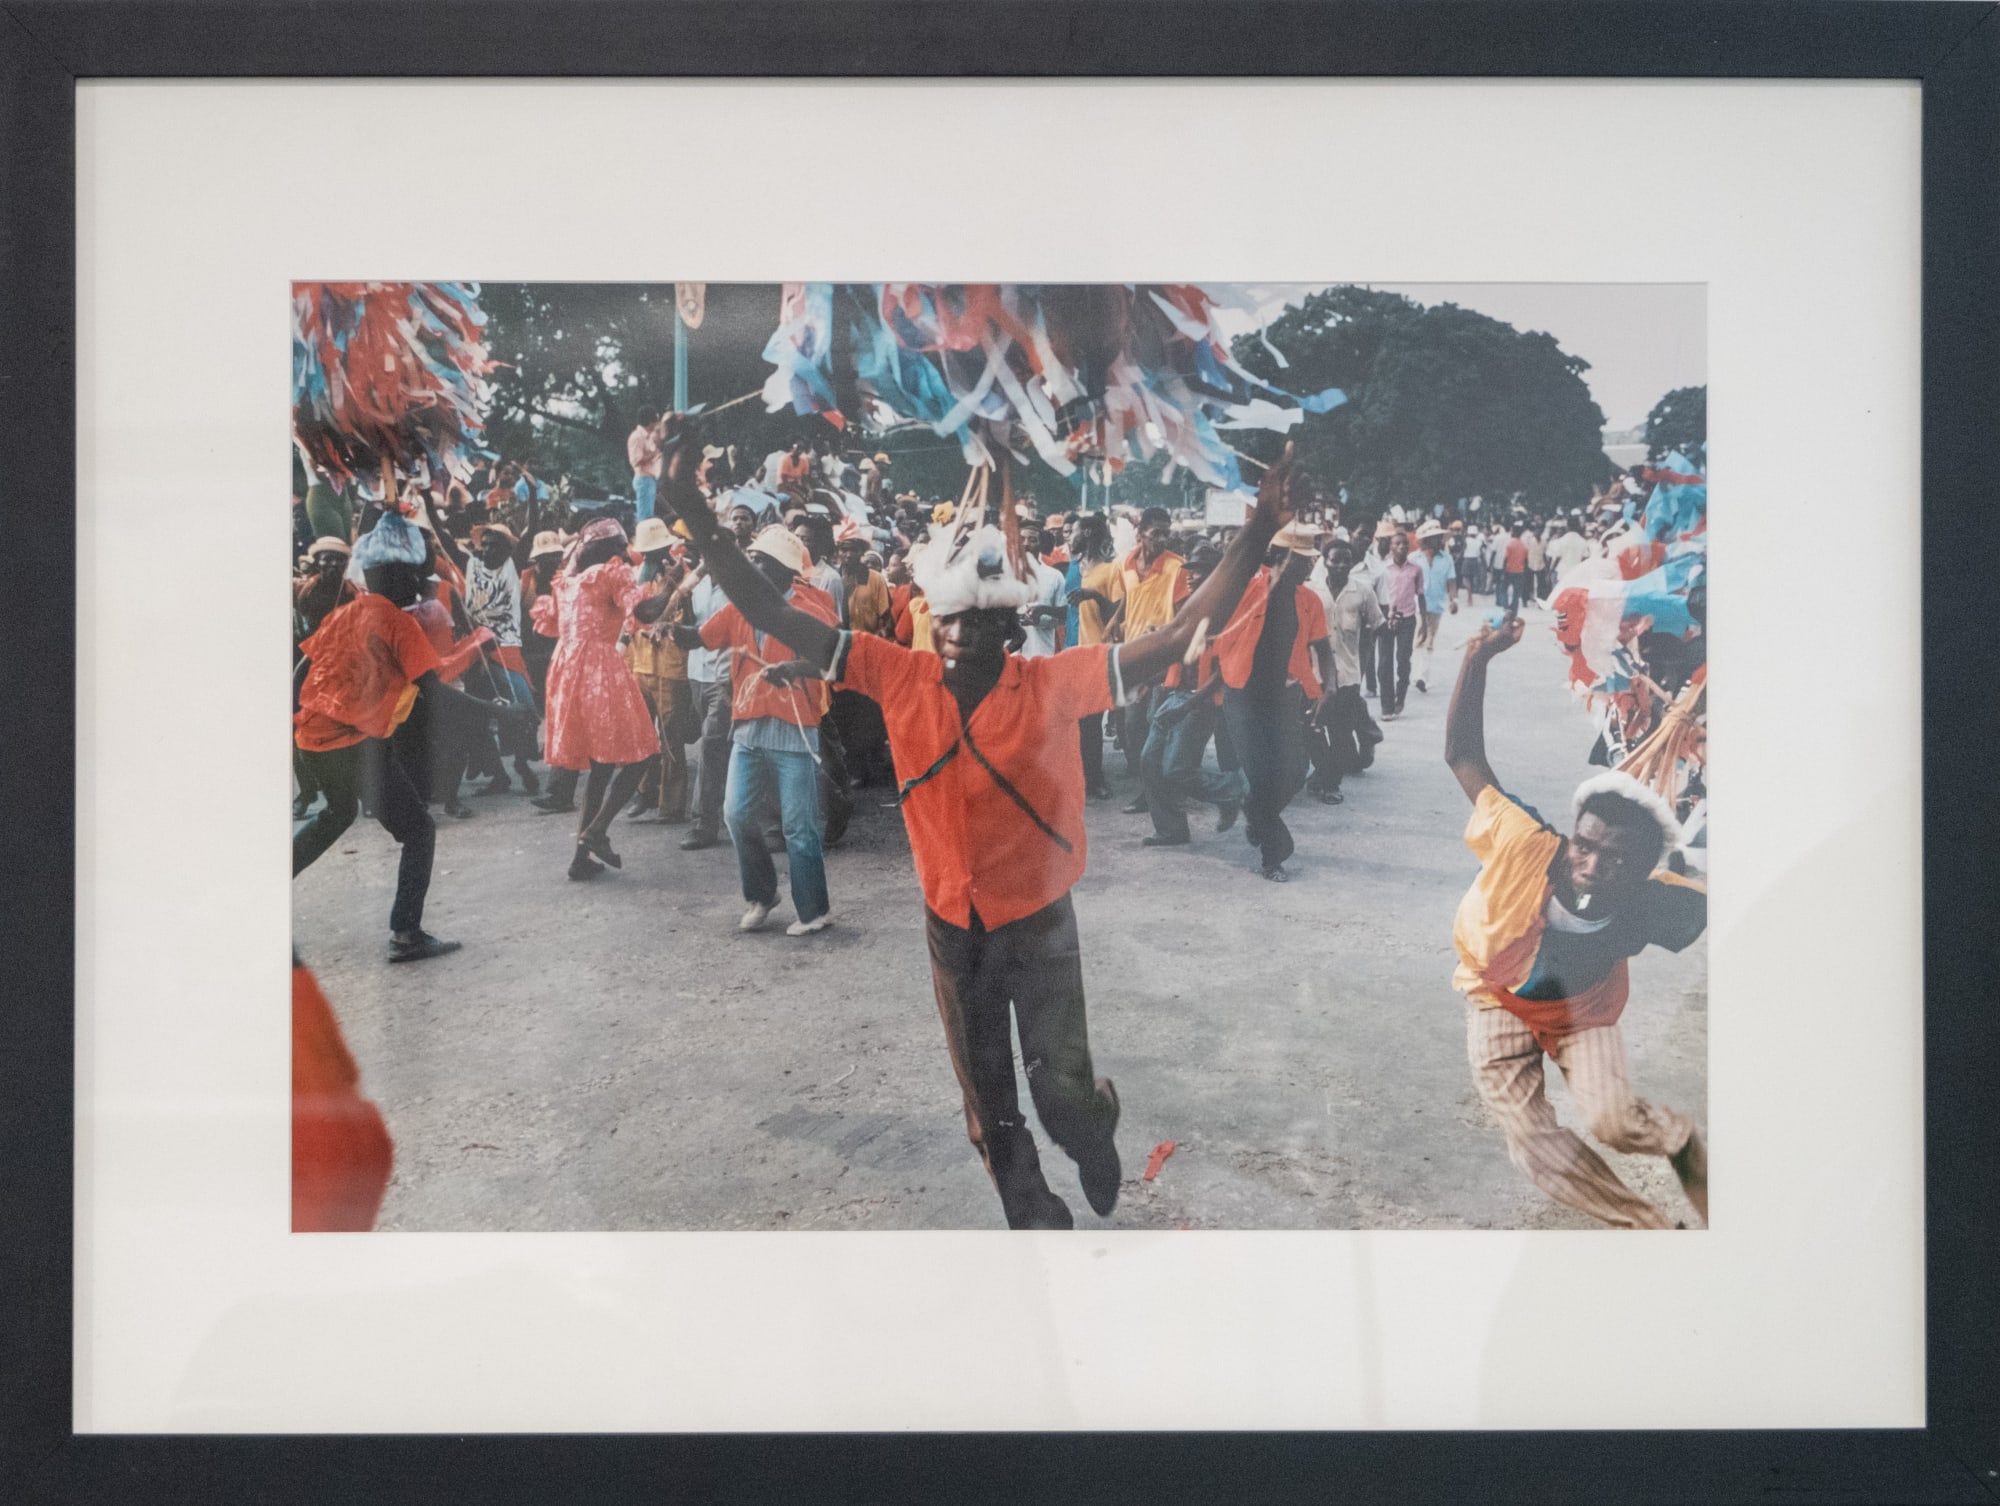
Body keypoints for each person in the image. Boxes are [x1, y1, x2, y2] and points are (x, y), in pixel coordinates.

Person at [658, 423, 1302, 1230]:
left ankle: (1091, 1131)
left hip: (1039, 922)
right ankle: (1031, 1215)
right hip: (949, 925)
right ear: (933, 617)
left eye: (982, 626)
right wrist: (691, 511)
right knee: (987, 1104)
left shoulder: (1053, 683)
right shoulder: (897, 673)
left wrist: (1259, 528)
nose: (962, 639)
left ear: (1012, 629)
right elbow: (766, 607)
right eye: (950, 621)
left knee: (1062, 1093)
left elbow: (1176, 635)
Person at [1444, 618, 1709, 1229]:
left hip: (1582, 1011)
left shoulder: (1661, 901)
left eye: (1616, 860)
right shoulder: (1524, 842)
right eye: (1585, 846)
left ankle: (1682, 1141)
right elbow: (1462, 755)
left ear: (1645, 869)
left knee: (1613, 1122)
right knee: (1533, 1144)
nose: (1592, 866)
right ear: (1570, 836)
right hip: (1498, 998)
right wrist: (1479, 658)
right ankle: (1648, 1229)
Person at [292, 514, 523, 962]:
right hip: (351, 742)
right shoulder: (399, 624)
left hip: (314, 738)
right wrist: (502, 715)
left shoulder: (344, 614)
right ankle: (406, 934)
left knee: (337, 815)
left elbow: (302, 670)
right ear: (398, 576)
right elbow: (435, 695)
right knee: (419, 830)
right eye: (416, 572)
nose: (422, 580)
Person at [680, 523, 839, 934]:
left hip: (794, 729)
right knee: (735, 815)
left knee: (798, 827)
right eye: (751, 559)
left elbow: (833, 658)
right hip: (748, 728)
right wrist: (663, 628)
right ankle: (762, 895)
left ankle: (814, 911)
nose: (752, 566)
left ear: (785, 571)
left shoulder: (811, 607)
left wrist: (795, 668)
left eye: (761, 562)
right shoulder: (741, 605)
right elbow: (700, 637)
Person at [531, 517, 672, 880]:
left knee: (601, 763)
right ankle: (596, 831)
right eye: (623, 545)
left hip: (565, 668)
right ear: (610, 549)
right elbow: (642, 612)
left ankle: (581, 857)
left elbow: (554, 625)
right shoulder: (612, 573)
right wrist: (672, 590)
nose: (626, 553)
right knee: (643, 754)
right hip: (599, 668)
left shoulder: (567, 581)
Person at [1212, 521, 1332, 880]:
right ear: (1280, 557)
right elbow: (1217, 637)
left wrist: (1328, 687)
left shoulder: (1310, 601)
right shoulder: (1245, 592)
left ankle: (1255, 810)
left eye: (1312, 559)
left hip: (1285, 695)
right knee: (1263, 775)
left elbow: (1323, 649)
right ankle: (1274, 854)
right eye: (1303, 559)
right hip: (1243, 696)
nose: (1310, 566)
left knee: (1295, 770)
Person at [1138, 541, 1245, 847]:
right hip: (1173, 692)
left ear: (1215, 575)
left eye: (1198, 570)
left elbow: (1225, 669)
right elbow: (1179, 653)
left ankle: (1231, 790)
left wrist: (1189, 706)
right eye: (1189, 569)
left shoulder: (1229, 612)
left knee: (1176, 769)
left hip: (1201, 701)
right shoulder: (1187, 606)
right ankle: (1171, 830)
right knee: (1149, 761)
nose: (1189, 575)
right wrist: (1150, 678)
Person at [678, 501, 759, 850]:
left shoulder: (740, 581)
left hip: (727, 672)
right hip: (697, 671)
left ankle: (703, 823)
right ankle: (735, 810)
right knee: (718, 745)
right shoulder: (696, 583)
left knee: (711, 745)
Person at [1116, 506, 1189, 809]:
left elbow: (1187, 613)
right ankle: (1152, 787)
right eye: (1156, 532)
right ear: (1141, 532)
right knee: (1132, 728)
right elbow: (1125, 602)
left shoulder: (1178, 567)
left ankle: (1156, 794)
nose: (1162, 538)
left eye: (1166, 532)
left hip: (1164, 658)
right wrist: (1117, 631)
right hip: (1133, 656)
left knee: (1156, 724)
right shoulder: (1125, 563)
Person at [623, 516, 692, 824]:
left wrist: (673, 582)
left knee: (671, 737)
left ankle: (672, 804)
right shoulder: (634, 578)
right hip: (639, 664)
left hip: (670, 665)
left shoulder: (683, 575)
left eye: (658, 551)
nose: (653, 557)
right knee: (642, 735)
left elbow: (685, 617)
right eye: (648, 552)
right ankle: (644, 793)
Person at [1307, 540, 1383, 803]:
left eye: (1346, 560)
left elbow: (1376, 626)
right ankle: (1322, 774)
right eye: (1335, 559)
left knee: (1340, 734)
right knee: (1311, 730)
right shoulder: (1311, 591)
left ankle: (1330, 784)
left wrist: (1363, 661)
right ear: (1324, 561)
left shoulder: (1362, 592)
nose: (1340, 565)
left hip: (1348, 676)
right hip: (1313, 675)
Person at [1063, 513, 1124, 800]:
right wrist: (1045, 612)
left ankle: (1095, 778)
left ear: (1086, 533)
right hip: (1070, 653)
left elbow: (1116, 613)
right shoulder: (1072, 568)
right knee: (1072, 720)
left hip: (1097, 652)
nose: (1068, 536)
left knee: (1091, 720)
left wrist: (1095, 597)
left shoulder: (1111, 571)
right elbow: (1070, 611)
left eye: (1073, 531)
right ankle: (1076, 777)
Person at [1372, 526, 1424, 719]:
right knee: (1384, 663)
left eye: (1405, 544)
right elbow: (1375, 596)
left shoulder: (1415, 570)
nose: (1401, 547)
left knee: (1403, 662)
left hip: (1407, 619)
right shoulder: (1382, 570)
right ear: (1391, 547)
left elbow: (1421, 595)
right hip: (1385, 620)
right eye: (1397, 543)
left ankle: (1399, 698)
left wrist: (1424, 623)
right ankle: (1386, 706)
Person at [1410, 519, 1459, 695]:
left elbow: (1451, 581)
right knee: (1417, 639)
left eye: (1439, 537)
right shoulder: (1413, 559)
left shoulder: (1446, 559)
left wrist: (1454, 600)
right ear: (1426, 541)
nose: (1438, 541)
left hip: (1436, 605)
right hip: (1415, 606)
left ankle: (1422, 676)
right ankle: (1416, 674)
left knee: (1429, 640)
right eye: (1434, 538)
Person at [1352, 517, 1396, 697]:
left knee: (1353, 683)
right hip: (1332, 632)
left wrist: (1373, 632)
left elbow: (1383, 606)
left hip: (1362, 634)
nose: (1364, 539)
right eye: (1361, 534)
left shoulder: (1377, 570)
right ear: (1350, 532)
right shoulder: (1330, 560)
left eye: (1368, 536)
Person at [627, 408, 665, 521]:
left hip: (650, 479)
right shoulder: (636, 437)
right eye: (655, 421)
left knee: (649, 513)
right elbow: (635, 461)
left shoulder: (649, 436)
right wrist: (654, 454)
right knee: (644, 516)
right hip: (644, 479)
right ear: (649, 422)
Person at [1500, 522, 1531, 613]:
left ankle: (1505, 607)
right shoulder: (1524, 546)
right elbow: (1526, 561)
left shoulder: (1510, 545)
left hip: (1509, 570)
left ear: (1514, 532)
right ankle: (1514, 610)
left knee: (1503, 589)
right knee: (1516, 593)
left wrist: (1503, 570)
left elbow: (1506, 559)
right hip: (1520, 572)